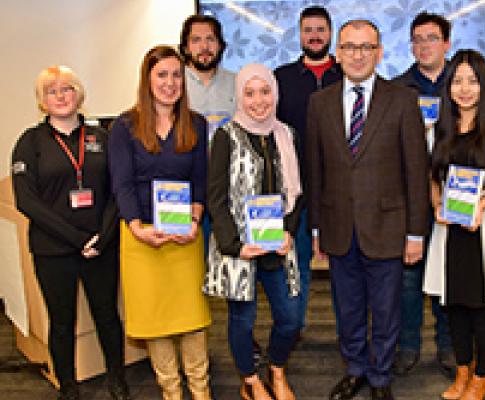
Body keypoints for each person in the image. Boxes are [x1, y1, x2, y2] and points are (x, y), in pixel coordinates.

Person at [306, 20, 430, 400]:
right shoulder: (320, 102)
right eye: (350, 47)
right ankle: (356, 368)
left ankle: (380, 377)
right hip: (339, 227)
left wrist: (415, 233)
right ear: (337, 53)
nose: (358, 55)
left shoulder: (402, 99)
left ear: (379, 52)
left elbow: (416, 170)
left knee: (387, 310)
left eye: (366, 47)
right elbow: (315, 170)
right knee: (348, 309)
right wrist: (316, 230)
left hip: (389, 227)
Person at [11, 66, 130, 400]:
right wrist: (78, 240)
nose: (61, 96)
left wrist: (103, 237)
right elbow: (27, 201)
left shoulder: (103, 138)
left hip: (101, 246)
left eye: (67, 89)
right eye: (52, 91)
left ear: (78, 94)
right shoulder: (29, 142)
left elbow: (119, 191)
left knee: (107, 315)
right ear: (42, 101)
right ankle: (68, 387)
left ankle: (118, 380)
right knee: (61, 322)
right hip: (54, 250)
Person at [108, 46, 211, 400]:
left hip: (185, 237)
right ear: (147, 79)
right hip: (142, 237)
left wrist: (195, 219)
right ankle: (171, 391)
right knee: (155, 321)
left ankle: (200, 390)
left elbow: (201, 179)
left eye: (176, 75)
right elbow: (121, 183)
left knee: (193, 317)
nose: (170, 83)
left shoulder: (196, 124)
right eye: (162, 75)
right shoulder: (124, 126)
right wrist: (137, 227)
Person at [423, 49, 485, 400]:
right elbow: (434, 179)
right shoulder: (438, 130)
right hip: (449, 231)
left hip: (483, 229)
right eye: (458, 81)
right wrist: (437, 207)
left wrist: (481, 204)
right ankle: (462, 372)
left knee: (481, 307)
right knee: (453, 306)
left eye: (473, 81)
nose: (465, 89)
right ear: (449, 86)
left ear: (484, 86)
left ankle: (482, 376)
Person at [204, 63, 303, 400]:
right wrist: (234, 245)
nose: (258, 101)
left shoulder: (286, 134)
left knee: (290, 318)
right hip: (240, 248)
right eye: (250, 93)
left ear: (274, 93)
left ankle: (276, 370)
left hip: (277, 245)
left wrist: (289, 231)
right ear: (240, 96)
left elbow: (296, 192)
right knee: (242, 321)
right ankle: (250, 381)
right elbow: (215, 198)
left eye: (265, 92)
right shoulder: (225, 136)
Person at [392, 11, 454, 377]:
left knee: (447, 274)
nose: (423, 45)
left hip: (453, 197)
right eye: (417, 39)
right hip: (409, 197)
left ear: (446, 43)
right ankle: (408, 345)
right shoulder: (398, 89)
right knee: (408, 278)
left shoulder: (465, 84)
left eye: (431, 38)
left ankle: (448, 345)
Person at [274, 5, 343, 333]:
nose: (314, 36)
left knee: (347, 266)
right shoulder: (282, 78)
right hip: (296, 188)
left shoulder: (347, 75)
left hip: (341, 188)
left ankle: (352, 332)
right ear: (299, 35)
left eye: (321, 30)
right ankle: (293, 329)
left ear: (330, 34)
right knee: (297, 261)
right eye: (308, 30)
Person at [179, 14, 236, 142]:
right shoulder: (174, 84)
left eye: (210, 39)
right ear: (185, 48)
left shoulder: (237, 83)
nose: (204, 46)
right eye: (196, 40)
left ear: (220, 45)